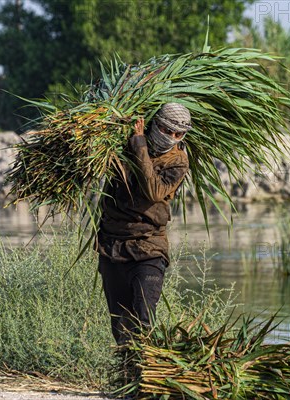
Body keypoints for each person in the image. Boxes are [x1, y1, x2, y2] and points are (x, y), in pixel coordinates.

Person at [96, 103, 191, 345]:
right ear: (153, 123)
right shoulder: (121, 145)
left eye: (177, 134)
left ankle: (147, 374)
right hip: (113, 245)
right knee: (120, 324)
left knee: (144, 319)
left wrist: (140, 145)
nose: (171, 137)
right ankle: (128, 377)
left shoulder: (178, 161)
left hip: (148, 249)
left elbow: (154, 191)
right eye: (166, 129)